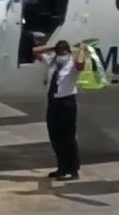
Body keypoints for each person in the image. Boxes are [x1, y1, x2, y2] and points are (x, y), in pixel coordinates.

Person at [32, 39, 87, 181]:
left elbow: (81, 65)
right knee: (55, 136)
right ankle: (62, 168)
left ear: (68, 52)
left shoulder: (72, 63)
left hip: (67, 102)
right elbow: (34, 51)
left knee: (68, 137)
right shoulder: (52, 61)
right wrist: (52, 46)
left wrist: (81, 50)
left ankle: (72, 170)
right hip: (53, 101)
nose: (61, 54)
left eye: (63, 52)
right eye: (59, 51)